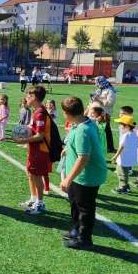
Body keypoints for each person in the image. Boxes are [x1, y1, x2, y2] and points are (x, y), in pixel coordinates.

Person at [59, 96, 107, 250]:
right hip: (78, 175)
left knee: (85, 208)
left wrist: (68, 179)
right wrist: (68, 148)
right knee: (74, 203)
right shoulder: (81, 122)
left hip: (87, 176)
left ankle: (84, 239)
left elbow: (83, 158)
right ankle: (76, 230)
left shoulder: (83, 130)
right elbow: (77, 143)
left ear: (68, 113)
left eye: (64, 112)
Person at [13, 86, 50, 215]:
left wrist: (22, 141)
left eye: (28, 96)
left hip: (40, 150)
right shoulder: (36, 111)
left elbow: (40, 136)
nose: (26, 98)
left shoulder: (40, 113)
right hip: (34, 148)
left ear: (34, 97)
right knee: (30, 173)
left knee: (37, 175)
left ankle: (40, 204)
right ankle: (33, 199)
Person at [111, 115, 138, 195]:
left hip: (123, 158)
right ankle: (126, 186)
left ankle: (123, 188)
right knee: (124, 172)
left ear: (126, 125)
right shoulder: (134, 133)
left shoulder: (125, 135)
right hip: (129, 157)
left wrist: (115, 156)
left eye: (120, 124)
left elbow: (121, 147)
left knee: (121, 173)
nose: (119, 126)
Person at [91, 76, 117, 153]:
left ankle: (110, 147)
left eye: (96, 82)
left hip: (105, 114)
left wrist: (98, 100)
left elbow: (110, 103)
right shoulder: (99, 90)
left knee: (105, 130)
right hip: (95, 113)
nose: (95, 84)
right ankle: (108, 147)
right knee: (102, 130)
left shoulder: (110, 91)